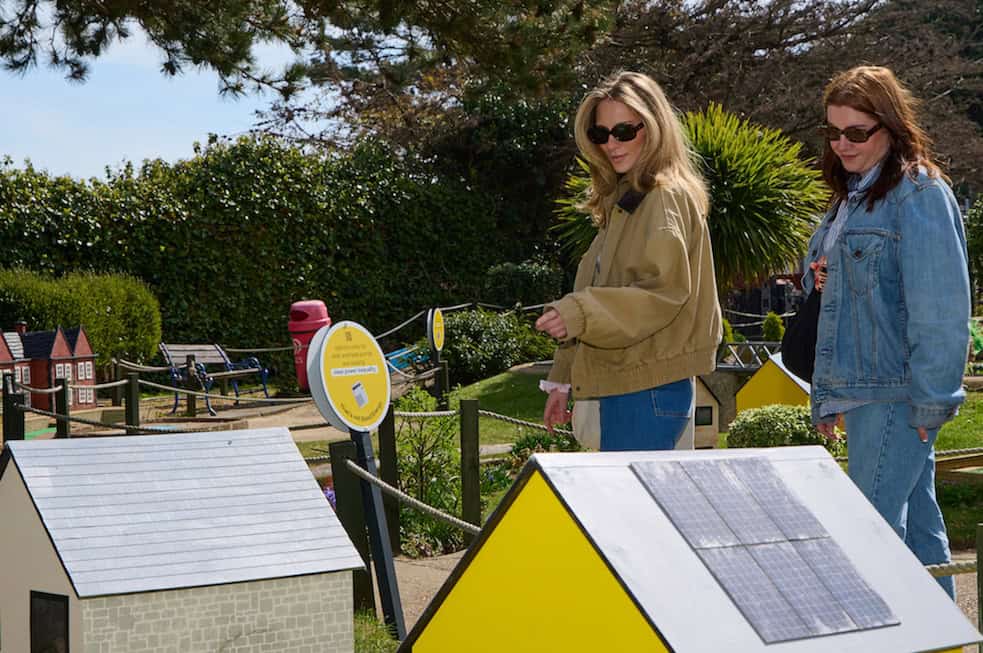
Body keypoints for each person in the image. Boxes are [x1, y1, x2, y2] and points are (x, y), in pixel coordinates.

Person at [804, 65, 968, 598]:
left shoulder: (919, 194)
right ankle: (942, 635)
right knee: (920, 537)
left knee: (869, 542)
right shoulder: (849, 196)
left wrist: (932, 402)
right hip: (863, 388)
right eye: (833, 131)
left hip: (896, 394)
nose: (842, 144)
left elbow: (941, 309)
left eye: (856, 132)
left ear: (891, 126)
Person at [535, 70, 722, 451]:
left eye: (623, 131)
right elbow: (605, 292)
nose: (611, 144)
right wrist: (562, 379)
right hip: (632, 386)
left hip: (646, 391)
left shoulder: (663, 197)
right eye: (600, 134)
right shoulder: (627, 199)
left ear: (654, 128)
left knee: (631, 494)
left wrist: (578, 313)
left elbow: (662, 294)